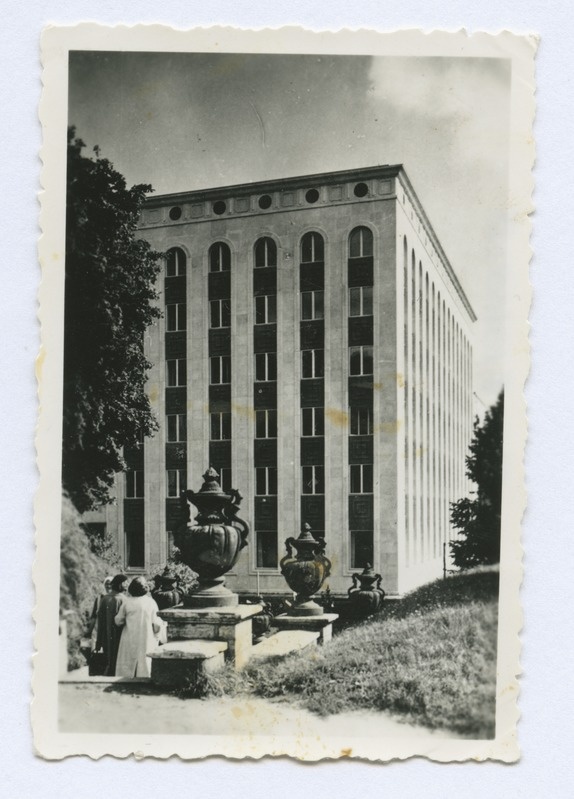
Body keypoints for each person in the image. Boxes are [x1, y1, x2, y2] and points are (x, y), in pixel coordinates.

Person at [114, 576, 162, 678]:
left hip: (130, 637)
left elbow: (118, 621)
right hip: (146, 637)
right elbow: (157, 625)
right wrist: (157, 635)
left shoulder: (127, 602)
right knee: (145, 662)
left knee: (128, 661)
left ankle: (125, 680)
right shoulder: (151, 602)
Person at [95, 573, 128, 676]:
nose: (126, 585)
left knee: (109, 660)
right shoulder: (124, 599)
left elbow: (100, 622)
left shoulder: (105, 599)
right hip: (121, 636)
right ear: (119, 585)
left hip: (106, 637)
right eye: (125, 583)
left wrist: (98, 641)